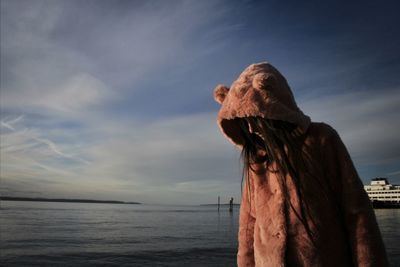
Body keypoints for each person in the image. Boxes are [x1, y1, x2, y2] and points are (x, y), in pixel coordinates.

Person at [213, 62, 388, 266]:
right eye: (244, 122)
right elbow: (248, 227)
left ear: (273, 108)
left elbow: (357, 214)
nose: (251, 129)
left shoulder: (321, 139)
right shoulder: (257, 160)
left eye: (255, 118)